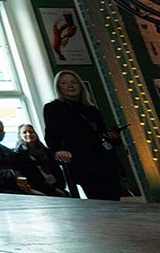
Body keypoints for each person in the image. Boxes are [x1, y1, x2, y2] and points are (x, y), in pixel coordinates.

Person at [44, 70, 122, 201]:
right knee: (99, 200)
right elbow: (51, 135)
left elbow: (102, 133)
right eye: (64, 83)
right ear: (58, 87)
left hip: (104, 160)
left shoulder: (91, 109)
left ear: (81, 85)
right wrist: (58, 151)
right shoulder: (53, 108)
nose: (70, 86)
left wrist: (113, 138)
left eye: (74, 82)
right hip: (81, 161)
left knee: (114, 198)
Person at [15, 123, 68, 196]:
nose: (28, 134)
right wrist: (51, 189)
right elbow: (29, 177)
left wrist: (60, 187)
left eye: (31, 132)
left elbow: (57, 169)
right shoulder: (18, 154)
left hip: (57, 187)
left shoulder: (45, 150)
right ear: (20, 136)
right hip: (38, 189)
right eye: (24, 132)